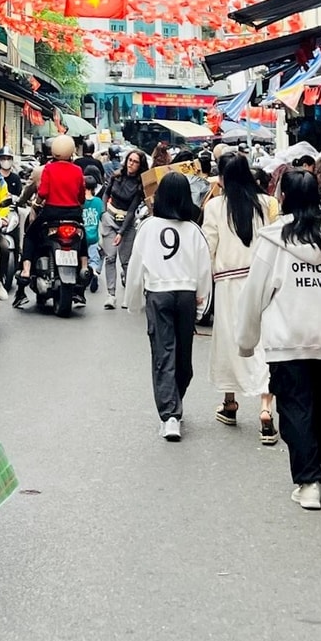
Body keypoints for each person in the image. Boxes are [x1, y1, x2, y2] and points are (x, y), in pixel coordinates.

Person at [235, 168, 321, 511]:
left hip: (288, 337)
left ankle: (308, 482)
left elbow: (255, 294)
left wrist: (246, 338)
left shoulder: (274, 241)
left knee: (295, 406)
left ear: (285, 198)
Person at [124, 172, 213, 442]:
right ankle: (174, 404)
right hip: (186, 294)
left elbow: (136, 265)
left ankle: (170, 414)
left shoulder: (148, 228)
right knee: (183, 355)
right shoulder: (193, 230)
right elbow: (204, 269)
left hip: (158, 293)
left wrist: (134, 302)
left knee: (164, 352)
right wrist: (202, 304)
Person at [202, 152, 282, 443]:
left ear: (222, 178)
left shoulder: (214, 207)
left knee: (229, 341)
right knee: (263, 343)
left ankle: (230, 402)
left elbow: (207, 247)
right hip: (262, 281)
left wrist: (202, 288)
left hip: (228, 283)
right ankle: (265, 408)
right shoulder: (267, 203)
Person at [19, 134, 89, 305]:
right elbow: (81, 196)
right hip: (74, 214)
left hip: (51, 213)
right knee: (82, 237)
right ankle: (85, 266)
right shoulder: (78, 170)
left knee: (30, 235)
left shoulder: (49, 169)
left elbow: (42, 193)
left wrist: (36, 205)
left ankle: (26, 271)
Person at [98, 147, 152, 309]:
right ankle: (111, 295)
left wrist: (121, 233)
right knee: (110, 257)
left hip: (127, 223)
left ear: (140, 165)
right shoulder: (116, 176)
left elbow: (131, 210)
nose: (131, 164)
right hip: (110, 217)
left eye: (135, 162)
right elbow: (105, 194)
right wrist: (103, 213)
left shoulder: (139, 186)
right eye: (130, 160)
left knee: (126, 261)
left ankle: (128, 296)